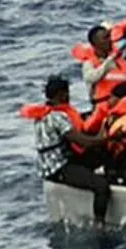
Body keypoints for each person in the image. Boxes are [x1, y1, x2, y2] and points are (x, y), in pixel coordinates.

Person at [26, 76, 110, 226]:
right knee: (101, 185)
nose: (69, 96)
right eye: (67, 93)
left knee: (101, 156)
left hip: (51, 164)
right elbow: (84, 142)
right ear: (61, 95)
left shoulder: (42, 114)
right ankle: (100, 224)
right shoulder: (58, 118)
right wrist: (107, 138)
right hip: (59, 168)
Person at [80, 25, 126, 105]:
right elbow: (91, 78)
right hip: (103, 106)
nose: (110, 40)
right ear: (95, 43)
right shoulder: (89, 64)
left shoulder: (123, 62)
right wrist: (107, 63)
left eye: (109, 36)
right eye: (105, 38)